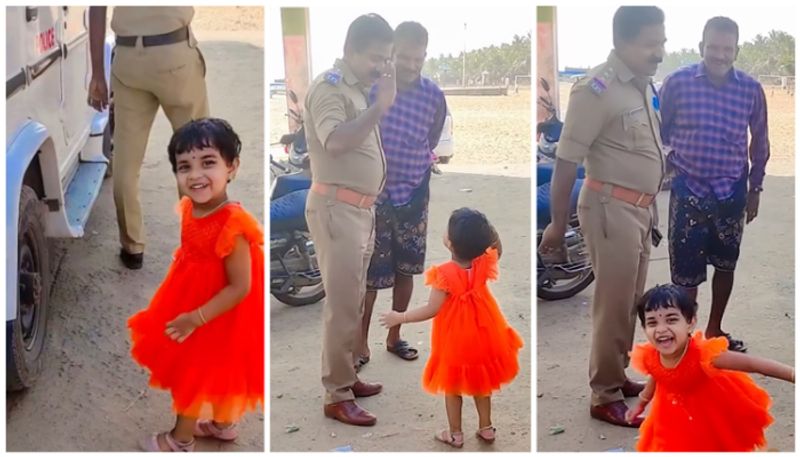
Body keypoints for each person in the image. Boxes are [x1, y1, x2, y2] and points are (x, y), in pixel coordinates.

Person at [538, 6, 667, 427]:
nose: (659, 52)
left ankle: (617, 372)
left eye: (661, 42)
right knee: (612, 306)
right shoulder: (596, 90)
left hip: (639, 210)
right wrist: (557, 225)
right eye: (651, 44)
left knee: (630, 301)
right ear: (623, 43)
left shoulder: (641, 86)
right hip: (610, 209)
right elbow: (565, 161)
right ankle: (603, 394)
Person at [128, 118, 264, 451]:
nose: (195, 175)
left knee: (193, 371)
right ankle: (222, 424)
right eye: (184, 166)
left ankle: (181, 439)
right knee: (214, 368)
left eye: (208, 163)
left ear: (231, 166)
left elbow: (240, 287)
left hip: (217, 310)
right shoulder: (192, 205)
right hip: (190, 297)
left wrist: (196, 318)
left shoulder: (232, 223)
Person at [303, 13, 395, 427]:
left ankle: (347, 375)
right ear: (349, 51)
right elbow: (336, 141)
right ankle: (336, 394)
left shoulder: (357, 90)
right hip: (337, 210)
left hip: (359, 211)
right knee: (342, 307)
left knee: (353, 301)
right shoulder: (330, 87)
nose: (381, 67)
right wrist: (379, 108)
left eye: (385, 59)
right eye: (375, 58)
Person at [659, 16, 770, 353]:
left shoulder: (751, 89)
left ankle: (714, 330)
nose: (720, 55)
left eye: (727, 49)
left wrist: (755, 189)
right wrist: (662, 173)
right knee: (685, 277)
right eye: (713, 48)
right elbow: (660, 131)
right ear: (701, 48)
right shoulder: (676, 83)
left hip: (731, 194)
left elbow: (760, 141)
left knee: (726, 265)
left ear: (736, 51)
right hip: (687, 191)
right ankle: (687, 340)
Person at [380, 208, 522, 448]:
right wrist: (487, 230)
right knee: (481, 382)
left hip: (456, 339)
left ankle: (455, 434)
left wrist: (399, 317)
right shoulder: (483, 263)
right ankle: (486, 428)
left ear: (450, 242)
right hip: (485, 333)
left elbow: (431, 309)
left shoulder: (444, 274)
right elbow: (497, 247)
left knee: (453, 386)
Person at [88, 6, 210, 270]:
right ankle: (197, 249)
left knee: (126, 163)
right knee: (196, 158)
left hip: (129, 59)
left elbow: (96, 8)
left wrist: (97, 73)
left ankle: (132, 247)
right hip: (174, 54)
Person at [357, 21, 448, 370]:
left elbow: (434, 136)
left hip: (414, 194)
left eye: (419, 58)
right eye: (405, 57)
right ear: (392, 54)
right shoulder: (374, 90)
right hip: (375, 197)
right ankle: (360, 343)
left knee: (406, 269)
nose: (412, 65)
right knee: (370, 275)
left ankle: (394, 337)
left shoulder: (433, 95)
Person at [626, 284, 794, 451]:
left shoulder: (705, 356)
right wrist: (641, 403)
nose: (661, 329)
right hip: (670, 415)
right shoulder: (651, 354)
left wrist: (793, 374)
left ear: (690, 323)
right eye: (652, 322)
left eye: (671, 320)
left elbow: (753, 364)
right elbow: (657, 375)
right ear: (644, 328)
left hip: (709, 416)